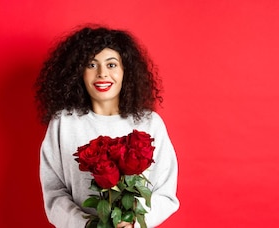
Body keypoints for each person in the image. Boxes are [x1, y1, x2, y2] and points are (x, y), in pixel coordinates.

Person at [35, 25, 179, 228]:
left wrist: (133, 224)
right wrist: (87, 225)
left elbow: (165, 193)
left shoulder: (150, 123)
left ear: (125, 71)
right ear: (79, 72)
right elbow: (55, 193)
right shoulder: (63, 123)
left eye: (111, 65)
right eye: (91, 65)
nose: (102, 74)